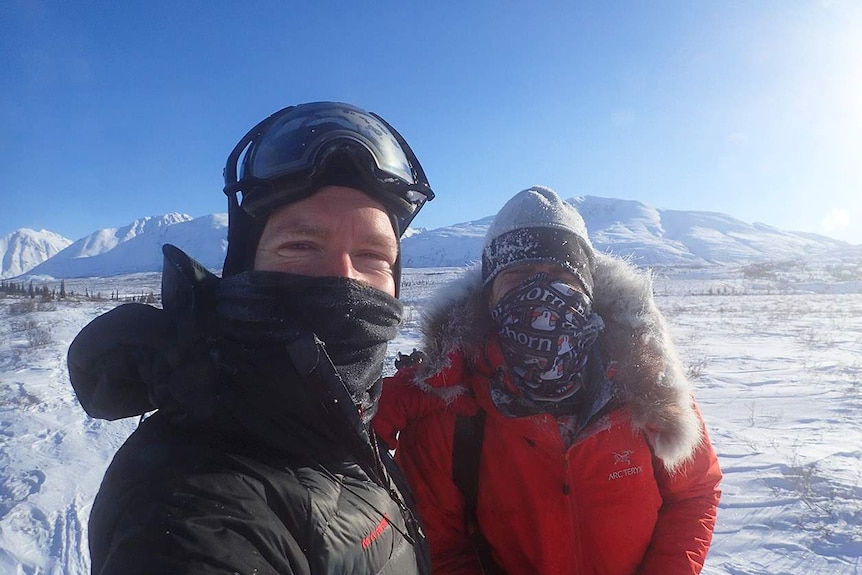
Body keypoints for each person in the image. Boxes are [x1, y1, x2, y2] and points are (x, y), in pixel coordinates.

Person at [67, 101, 435, 574]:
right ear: (244, 269)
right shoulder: (191, 506)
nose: (344, 278)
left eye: (371, 255)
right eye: (300, 245)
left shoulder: (347, 418)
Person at [374, 186, 722, 575]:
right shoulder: (449, 409)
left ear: (588, 291)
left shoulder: (647, 387)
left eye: (560, 274)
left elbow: (693, 493)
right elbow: (442, 547)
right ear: (489, 297)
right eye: (518, 274)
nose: (539, 293)